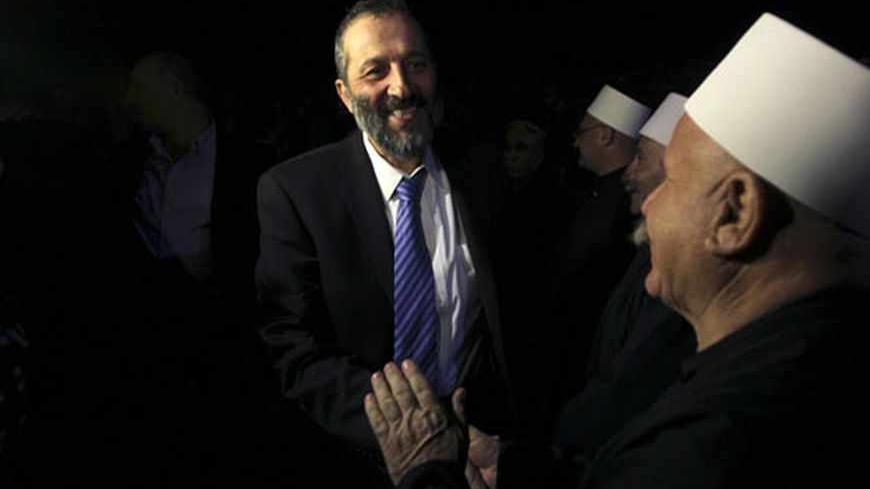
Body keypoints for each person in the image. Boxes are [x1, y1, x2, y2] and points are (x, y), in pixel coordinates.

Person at [364, 12, 870, 488]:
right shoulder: (781, 362)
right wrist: (515, 466)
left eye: (671, 179)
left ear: (736, 215)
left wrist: (426, 472)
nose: (649, 205)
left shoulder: (717, 441)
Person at [255, 0, 515, 480]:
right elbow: (293, 350)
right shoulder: (296, 192)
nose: (401, 87)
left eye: (415, 64)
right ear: (344, 93)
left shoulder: (483, 174)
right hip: (359, 458)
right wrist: (417, 430)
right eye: (375, 71)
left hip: (481, 454)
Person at [554, 92, 695, 458]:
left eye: (641, 157)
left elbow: (634, 379)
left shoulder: (683, 268)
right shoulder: (645, 242)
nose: (629, 172)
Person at [550, 85, 651, 404]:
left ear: (606, 135)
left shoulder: (629, 203)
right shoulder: (597, 193)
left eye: (582, 131)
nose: (575, 141)